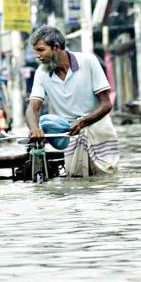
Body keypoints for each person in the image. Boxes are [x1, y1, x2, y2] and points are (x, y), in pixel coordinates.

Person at [26, 26, 118, 176]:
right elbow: (32, 108)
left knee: (107, 178)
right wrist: (34, 129)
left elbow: (106, 104)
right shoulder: (41, 73)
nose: (37, 56)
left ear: (56, 47)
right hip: (71, 133)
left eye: (41, 50)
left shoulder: (88, 61)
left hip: (99, 129)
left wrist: (82, 122)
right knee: (75, 181)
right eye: (35, 51)